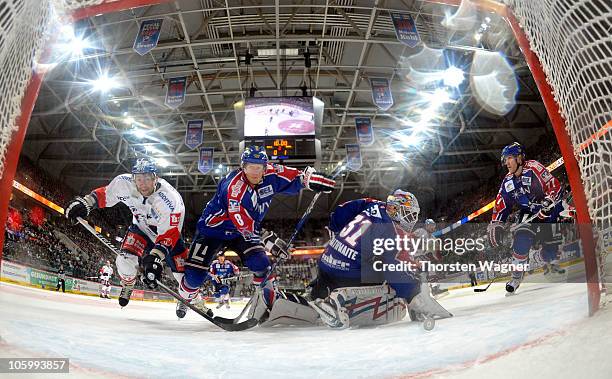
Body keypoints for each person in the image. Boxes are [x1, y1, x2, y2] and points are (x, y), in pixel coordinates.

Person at [179, 145, 335, 319]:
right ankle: (186, 299)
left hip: (242, 233)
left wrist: (311, 180)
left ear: (265, 167)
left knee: (262, 265)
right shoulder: (234, 187)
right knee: (193, 278)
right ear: (243, 167)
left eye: (258, 167)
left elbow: (297, 177)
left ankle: (267, 304)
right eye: (250, 167)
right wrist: (267, 238)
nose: (254, 171)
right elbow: (242, 222)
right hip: (213, 231)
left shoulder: (272, 173)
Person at [306, 190, 452, 328]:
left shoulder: (375, 204)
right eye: (408, 214)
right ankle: (341, 302)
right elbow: (397, 273)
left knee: (374, 263)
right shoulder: (393, 232)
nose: (411, 219)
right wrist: (417, 298)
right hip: (347, 274)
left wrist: (336, 229)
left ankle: (318, 291)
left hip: (326, 262)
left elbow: (342, 211)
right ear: (396, 209)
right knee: (398, 304)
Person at [65, 158, 192, 315]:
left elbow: (169, 235)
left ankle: (185, 298)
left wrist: (155, 258)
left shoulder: (171, 200)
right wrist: (85, 203)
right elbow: (105, 195)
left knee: (186, 277)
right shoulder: (123, 183)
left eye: (147, 178)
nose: (143, 183)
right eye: (139, 178)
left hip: (166, 236)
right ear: (133, 179)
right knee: (123, 261)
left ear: (155, 178)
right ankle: (128, 284)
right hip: (140, 229)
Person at [487, 142, 566, 294]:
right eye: (505, 159)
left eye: (509, 158)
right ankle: (517, 276)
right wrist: (496, 223)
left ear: (519, 158)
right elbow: (501, 204)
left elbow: (555, 186)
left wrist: (549, 202)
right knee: (521, 240)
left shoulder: (534, 167)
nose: (506, 162)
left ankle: (549, 259)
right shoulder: (507, 182)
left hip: (547, 210)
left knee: (550, 246)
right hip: (528, 214)